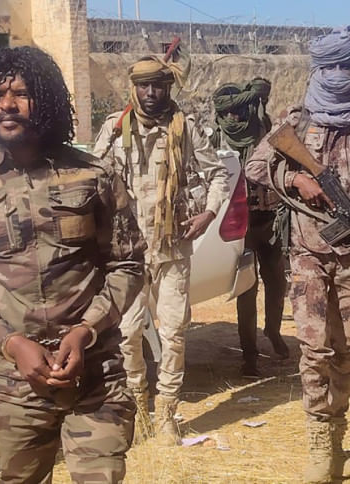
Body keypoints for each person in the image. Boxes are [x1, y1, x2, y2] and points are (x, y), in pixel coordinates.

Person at [0, 46, 145, 483]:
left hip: (95, 375)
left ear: (45, 99)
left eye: (21, 94)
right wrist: (12, 345)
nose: (7, 105)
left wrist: (86, 332)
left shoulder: (93, 176)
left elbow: (128, 263)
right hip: (14, 385)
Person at [245, 26, 350, 483]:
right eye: (329, 66)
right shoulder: (297, 119)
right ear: (317, 69)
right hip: (307, 253)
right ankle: (319, 443)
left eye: (345, 66)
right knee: (314, 350)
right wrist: (297, 180)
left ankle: (338, 439)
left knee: (346, 350)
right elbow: (255, 166)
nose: (337, 74)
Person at [93, 53, 230, 445]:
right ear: (133, 88)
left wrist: (208, 214)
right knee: (127, 334)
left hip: (172, 246)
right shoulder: (115, 128)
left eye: (158, 85)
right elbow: (92, 177)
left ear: (168, 87)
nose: (151, 93)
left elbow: (218, 174)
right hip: (128, 252)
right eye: (144, 86)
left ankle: (167, 412)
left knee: (173, 333)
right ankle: (138, 409)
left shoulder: (185, 128)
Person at [210, 79, 288, 377]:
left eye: (240, 110)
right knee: (247, 289)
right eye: (229, 112)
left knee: (276, 283)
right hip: (237, 227)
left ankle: (273, 331)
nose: (235, 117)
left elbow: (263, 87)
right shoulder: (215, 140)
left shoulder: (263, 131)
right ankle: (250, 354)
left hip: (268, 219)